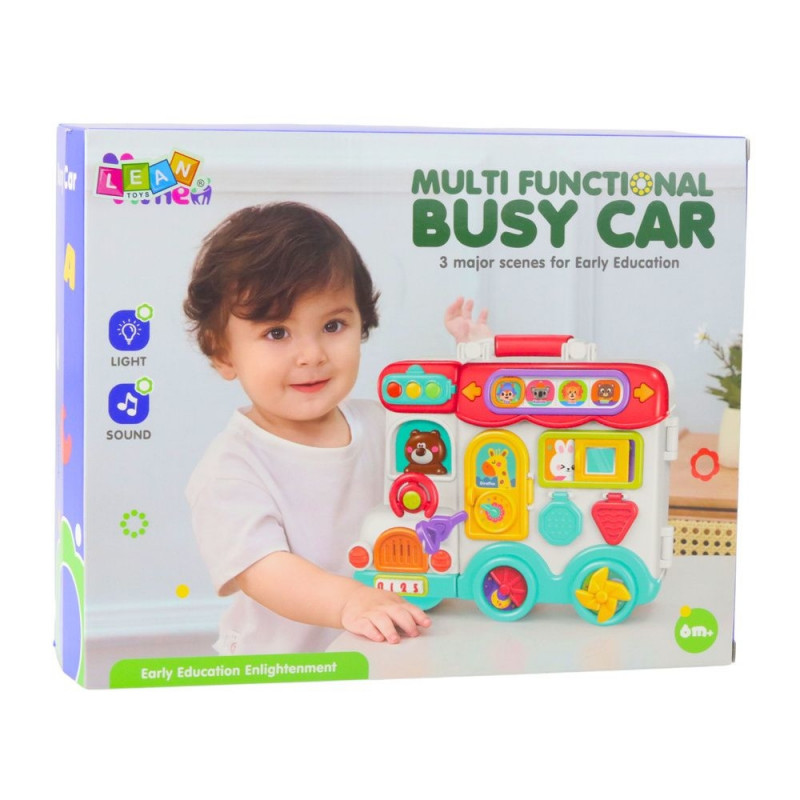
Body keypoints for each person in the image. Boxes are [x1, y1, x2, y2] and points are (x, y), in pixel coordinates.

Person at [184, 202, 488, 655]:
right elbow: (264, 570)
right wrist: (351, 601)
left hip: (388, 648)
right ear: (222, 353)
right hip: (281, 669)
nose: (312, 355)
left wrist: (479, 366)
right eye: (277, 333)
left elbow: (463, 457)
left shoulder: (385, 425)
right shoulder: (230, 469)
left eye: (332, 325)